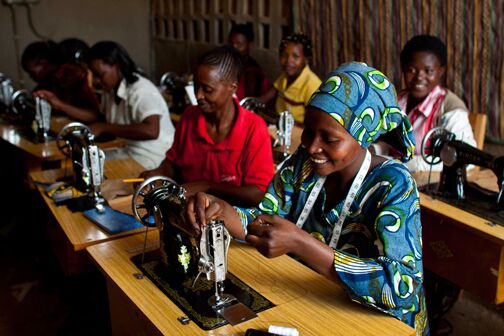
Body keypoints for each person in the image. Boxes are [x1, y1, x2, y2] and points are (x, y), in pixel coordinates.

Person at [185, 62, 428, 334]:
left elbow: (402, 288)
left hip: (380, 326)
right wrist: (223, 210)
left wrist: (302, 244)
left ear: (363, 136)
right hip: (314, 302)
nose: (312, 147)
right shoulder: (303, 164)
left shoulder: (393, 184)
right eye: (309, 132)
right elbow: (264, 218)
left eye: (330, 139)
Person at [140, 45, 274, 206]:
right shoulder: (190, 117)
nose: (198, 95)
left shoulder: (253, 128)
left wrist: (207, 187)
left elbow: (258, 194)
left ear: (233, 87)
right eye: (196, 86)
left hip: (231, 219)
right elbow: (173, 163)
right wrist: (158, 175)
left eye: (208, 89)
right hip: (186, 211)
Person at [373, 35, 476, 172]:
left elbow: (463, 160)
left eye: (429, 71)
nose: (419, 77)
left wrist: (399, 164)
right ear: (403, 69)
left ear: (440, 71)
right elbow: (389, 144)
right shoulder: (396, 101)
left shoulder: (450, 108)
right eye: (411, 70)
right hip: (393, 176)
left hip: (426, 184)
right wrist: (373, 149)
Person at [80, 41, 175, 170]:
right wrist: (58, 104)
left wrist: (104, 127)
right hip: (130, 151)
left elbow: (152, 131)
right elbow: (98, 118)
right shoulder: (111, 90)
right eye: (94, 76)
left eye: (100, 75)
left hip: (155, 157)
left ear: (117, 66)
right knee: (87, 162)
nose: (97, 81)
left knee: (93, 169)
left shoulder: (140, 90)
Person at [21, 40, 100, 122]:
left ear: (44, 63)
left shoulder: (71, 76)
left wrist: (59, 104)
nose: (31, 77)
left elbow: (93, 116)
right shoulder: (49, 81)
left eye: (32, 73)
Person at [260, 33, 321, 124]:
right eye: (284, 55)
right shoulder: (285, 76)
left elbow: (314, 123)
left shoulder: (311, 85)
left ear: (305, 59)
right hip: (279, 123)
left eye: (295, 57)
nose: (288, 61)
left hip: (298, 131)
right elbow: (268, 96)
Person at [228, 23, 270, 100]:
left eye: (239, 44)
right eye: (231, 44)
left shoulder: (253, 72)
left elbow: (250, 101)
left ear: (250, 45)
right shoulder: (226, 64)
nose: (233, 48)